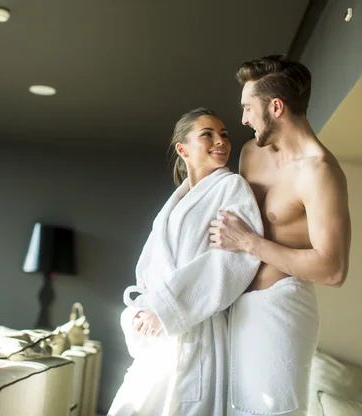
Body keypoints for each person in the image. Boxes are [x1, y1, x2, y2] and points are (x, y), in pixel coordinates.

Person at [209, 55, 351, 415]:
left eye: (247, 108)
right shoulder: (250, 155)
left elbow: (333, 269)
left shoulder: (319, 171)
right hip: (234, 308)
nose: (242, 119)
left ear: (276, 106)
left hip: (282, 311)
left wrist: (249, 243)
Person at [108, 108, 263, 416]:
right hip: (161, 333)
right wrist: (145, 311)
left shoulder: (232, 187)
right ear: (183, 149)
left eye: (224, 134)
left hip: (196, 328)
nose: (220, 141)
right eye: (208, 134)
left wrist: (166, 308)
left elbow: (233, 260)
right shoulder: (175, 203)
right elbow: (150, 268)